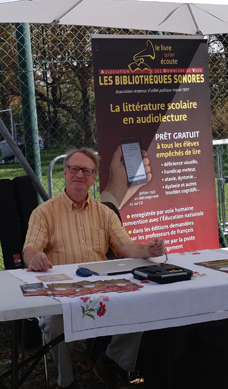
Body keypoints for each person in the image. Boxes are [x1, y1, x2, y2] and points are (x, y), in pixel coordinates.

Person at [23, 147, 165, 389]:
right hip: (62, 291)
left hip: (99, 287)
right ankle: (66, 381)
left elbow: (125, 247)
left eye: (86, 170)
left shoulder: (105, 213)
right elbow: (29, 249)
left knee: (139, 308)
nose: (80, 174)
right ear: (65, 173)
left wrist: (147, 250)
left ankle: (109, 362)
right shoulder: (44, 212)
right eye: (74, 169)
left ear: (94, 177)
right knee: (52, 323)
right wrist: (36, 257)